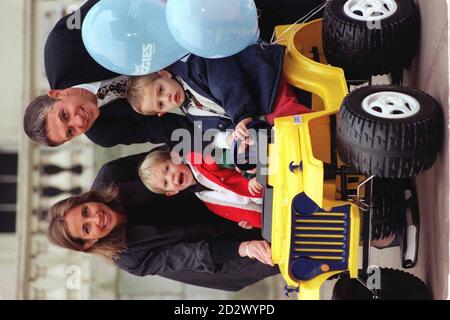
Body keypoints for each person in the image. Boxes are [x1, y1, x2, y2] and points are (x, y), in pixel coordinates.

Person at [23, 0, 325, 148]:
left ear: (56, 94)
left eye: (64, 116)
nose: (78, 122)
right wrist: (226, 144)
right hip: (200, 69)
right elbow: (168, 132)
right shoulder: (105, 132)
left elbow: (112, 5)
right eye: (71, 132)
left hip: (184, 13)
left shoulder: (64, 46)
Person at [47, 182, 278, 291]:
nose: (96, 218)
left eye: (86, 211)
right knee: (285, 245)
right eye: (87, 229)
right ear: (89, 243)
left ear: (85, 199)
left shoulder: (113, 177)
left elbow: (165, 158)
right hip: (220, 250)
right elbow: (191, 256)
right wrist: (246, 247)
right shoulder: (129, 258)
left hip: (212, 196)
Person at [126, 44, 311, 141]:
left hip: (262, 81)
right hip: (258, 113)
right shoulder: (193, 115)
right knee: (276, 143)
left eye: (161, 89)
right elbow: (222, 127)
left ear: (164, 74)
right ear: (162, 112)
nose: (166, 97)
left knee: (291, 120)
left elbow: (226, 83)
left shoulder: (195, 65)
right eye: (161, 103)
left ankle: (333, 132)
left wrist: (241, 117)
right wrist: (240, 139)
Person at [138, 149, 264, 228]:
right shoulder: (208, 203)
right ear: (172, 192)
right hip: (271, 208)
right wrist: (250, 221)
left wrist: (251, 175)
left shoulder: (203, 160)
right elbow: (244, 209)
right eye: (165, 183)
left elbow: (233, 157)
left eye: (167, 169)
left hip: (268, 181)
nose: (171, 177)